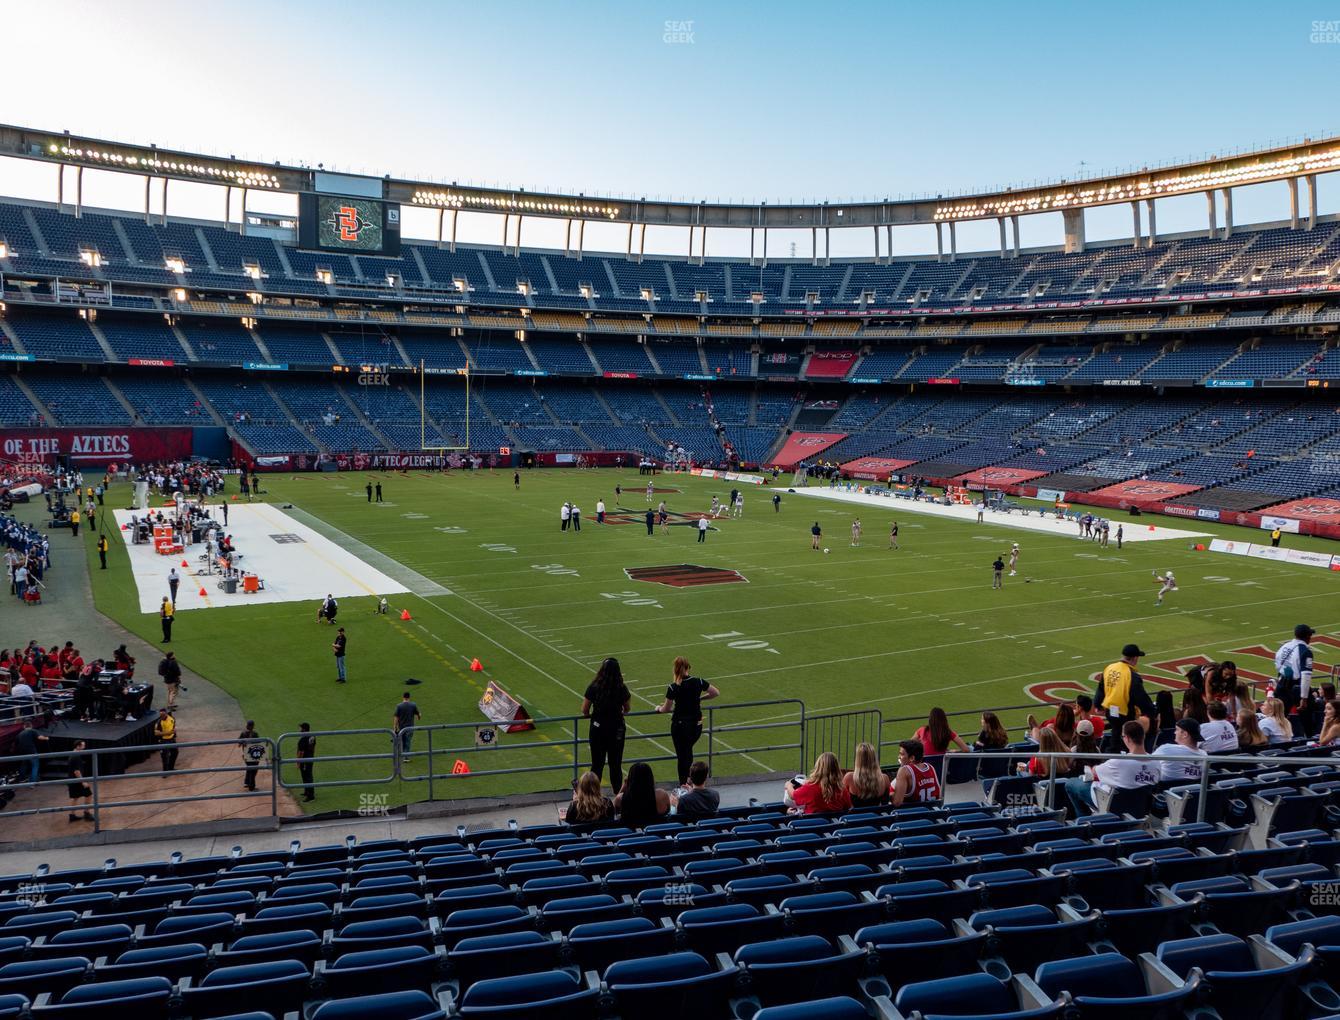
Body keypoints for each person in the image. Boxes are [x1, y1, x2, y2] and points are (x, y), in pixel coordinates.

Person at [1064, 720, 1157, 818]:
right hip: (1139, 808)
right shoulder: (1156, 763)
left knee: (1071, 783)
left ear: (1127, 739)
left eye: (1123, 736)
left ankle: (1083, 821)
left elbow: (1094, 772)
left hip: (1113, 804)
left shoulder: (1118, 762)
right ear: (1144, 736)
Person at [656, 656, 719, 785]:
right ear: (688, 668)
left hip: (679, 726)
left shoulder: (673, 687)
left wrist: (658, 708)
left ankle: (684, 784)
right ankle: (691, 782)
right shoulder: (698, 681)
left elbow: (666, 709)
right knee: (688, 752)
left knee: (682, 756)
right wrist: (700, 699)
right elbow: (715, 693)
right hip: (696, 725)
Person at [582, 658, 631, 790]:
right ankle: (617, 795)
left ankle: (593, 795)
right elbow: (627, 708)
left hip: (598, 729)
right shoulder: (621, 687)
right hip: (617, 730)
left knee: (597, 764)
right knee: (615, 764)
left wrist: (592, 715)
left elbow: (584, 709)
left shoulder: (594, 686)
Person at [1095, 643, 1155, 749]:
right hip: (1125, 712)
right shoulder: (1131, 675)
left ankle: (1114, 755)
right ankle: (1123, 756)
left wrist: (1098, 704)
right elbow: (1140, 697)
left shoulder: (1110, 668)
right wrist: (1151, 711)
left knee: (1116, 733)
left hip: (1110, 710)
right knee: (1127, 737)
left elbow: (1101, 687)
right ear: (1135, 658)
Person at [1275, 624, 1316, 731]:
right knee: (1308, 718)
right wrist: (1304, 697)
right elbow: (1306, 675)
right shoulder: (1305, 651)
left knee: (1279, 717)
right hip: (1296, 687)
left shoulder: (1284, 646)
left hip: (1281, 684)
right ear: (1308, 636)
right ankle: (1310, 740)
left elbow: (1278, 665)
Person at [787, 752, 852, 814]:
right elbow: (848, 807)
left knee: (788, 811)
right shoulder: (842, 789)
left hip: (812, 823)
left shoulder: (809, 787)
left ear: (818, 768)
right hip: (835, 824)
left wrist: (788, 785)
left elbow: (793, 795)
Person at [615, 761, 670, 826]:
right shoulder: (661, 795)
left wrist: (624, 786)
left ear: (631, 779)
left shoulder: (620, 798)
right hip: (656, 833)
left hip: (632, 834)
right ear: (650, 777)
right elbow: (667, 811)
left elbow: (613, 810)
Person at [892, 740, 942, 806]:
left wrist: (889, 794)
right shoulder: (930, 767)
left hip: (913, 813)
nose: (899, 757)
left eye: (901, 754)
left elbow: (897, 802)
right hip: (930, 812)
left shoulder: (904, 771)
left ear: (912, 758)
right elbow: (939, 796)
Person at [842, 742, 891, 807]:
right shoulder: (884, 779)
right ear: (874, 758)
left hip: (855, 816)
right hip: (875, 816)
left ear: (858, 759)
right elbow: (885, 804)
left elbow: (842, 802)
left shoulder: (849, 778)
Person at [66, 739, 93, 822]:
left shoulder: (73, 754)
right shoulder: (76, 756)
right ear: (78, 746)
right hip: (77, 781)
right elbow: (76, 771)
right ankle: (86, 813)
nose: (84, 747)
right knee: (89, 795)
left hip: (73, 780)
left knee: (75, 797)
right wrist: (83, 782)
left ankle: (72, 815)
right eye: (83, 745)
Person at [238, 721, 264, 791]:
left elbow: (239, 744)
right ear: (252, 726)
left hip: (246, 754)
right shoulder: (255, 733)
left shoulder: (243, 733)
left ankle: (247, 782)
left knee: (249, 768)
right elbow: (259, 745)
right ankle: (251, 787)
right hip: (253, 754)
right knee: (253, 770)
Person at [296, 722, 316, 802]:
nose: (299, 729)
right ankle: (306, 791)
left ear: (304, 729)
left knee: (307, 777)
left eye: (300, 728)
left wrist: (298, 762)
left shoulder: (303, 739)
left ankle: (311, 796)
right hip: (310, 758)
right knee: (306, 776)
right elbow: (314, 748)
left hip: (304, 760)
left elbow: (301, 752)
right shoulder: (312, 736)